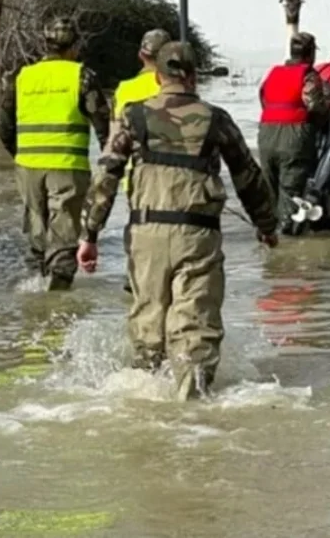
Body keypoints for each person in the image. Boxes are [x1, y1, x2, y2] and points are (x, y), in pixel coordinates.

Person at [75, 41, 279, 401]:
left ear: (157, 75)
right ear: (194, 75)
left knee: (148, 327)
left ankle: (146, 403)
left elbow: (106, 175)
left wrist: (89, 234)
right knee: (195, 328)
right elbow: (248, 176)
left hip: (146, 235)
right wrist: (266, 225)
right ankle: (192, 409)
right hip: (197, 234)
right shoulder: (216, 119)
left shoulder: (134, 115)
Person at [0, 17, 110, 291]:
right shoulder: (82, 76)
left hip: (28, 167)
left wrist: (21, 154)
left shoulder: (22, 77)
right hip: (67, 168)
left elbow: (3, 127)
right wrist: (109, 168)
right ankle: (57, 306)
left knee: (37, 237)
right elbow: (104, 128)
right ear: (75, 45)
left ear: (44, 45)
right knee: (64, 238)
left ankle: (35, 299)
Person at [258, 31, 330, 234]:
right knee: (291, 194)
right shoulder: (309, 75)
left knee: (270, 190)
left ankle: (267, 241)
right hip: (294, 136)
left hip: (265, 136)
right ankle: (287, 251)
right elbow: (315, 106)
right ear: (310, 54)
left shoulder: (272, 73)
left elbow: (264, 99)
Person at [114, 28, 173, 194]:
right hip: (172, 175)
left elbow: (116, 136)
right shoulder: (173, 87)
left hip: (135, 177)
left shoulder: (124, 90)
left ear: (141, 55)